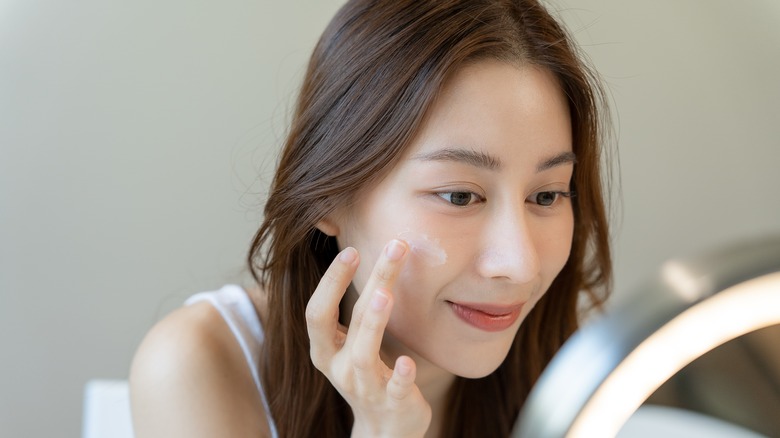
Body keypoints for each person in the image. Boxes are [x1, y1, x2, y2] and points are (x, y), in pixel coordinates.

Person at [129, 0, 613, 436]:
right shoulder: (199, 365)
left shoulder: (581, 375)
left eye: (547, 196)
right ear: (328, 197)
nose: (519, 264)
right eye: (460, 196)